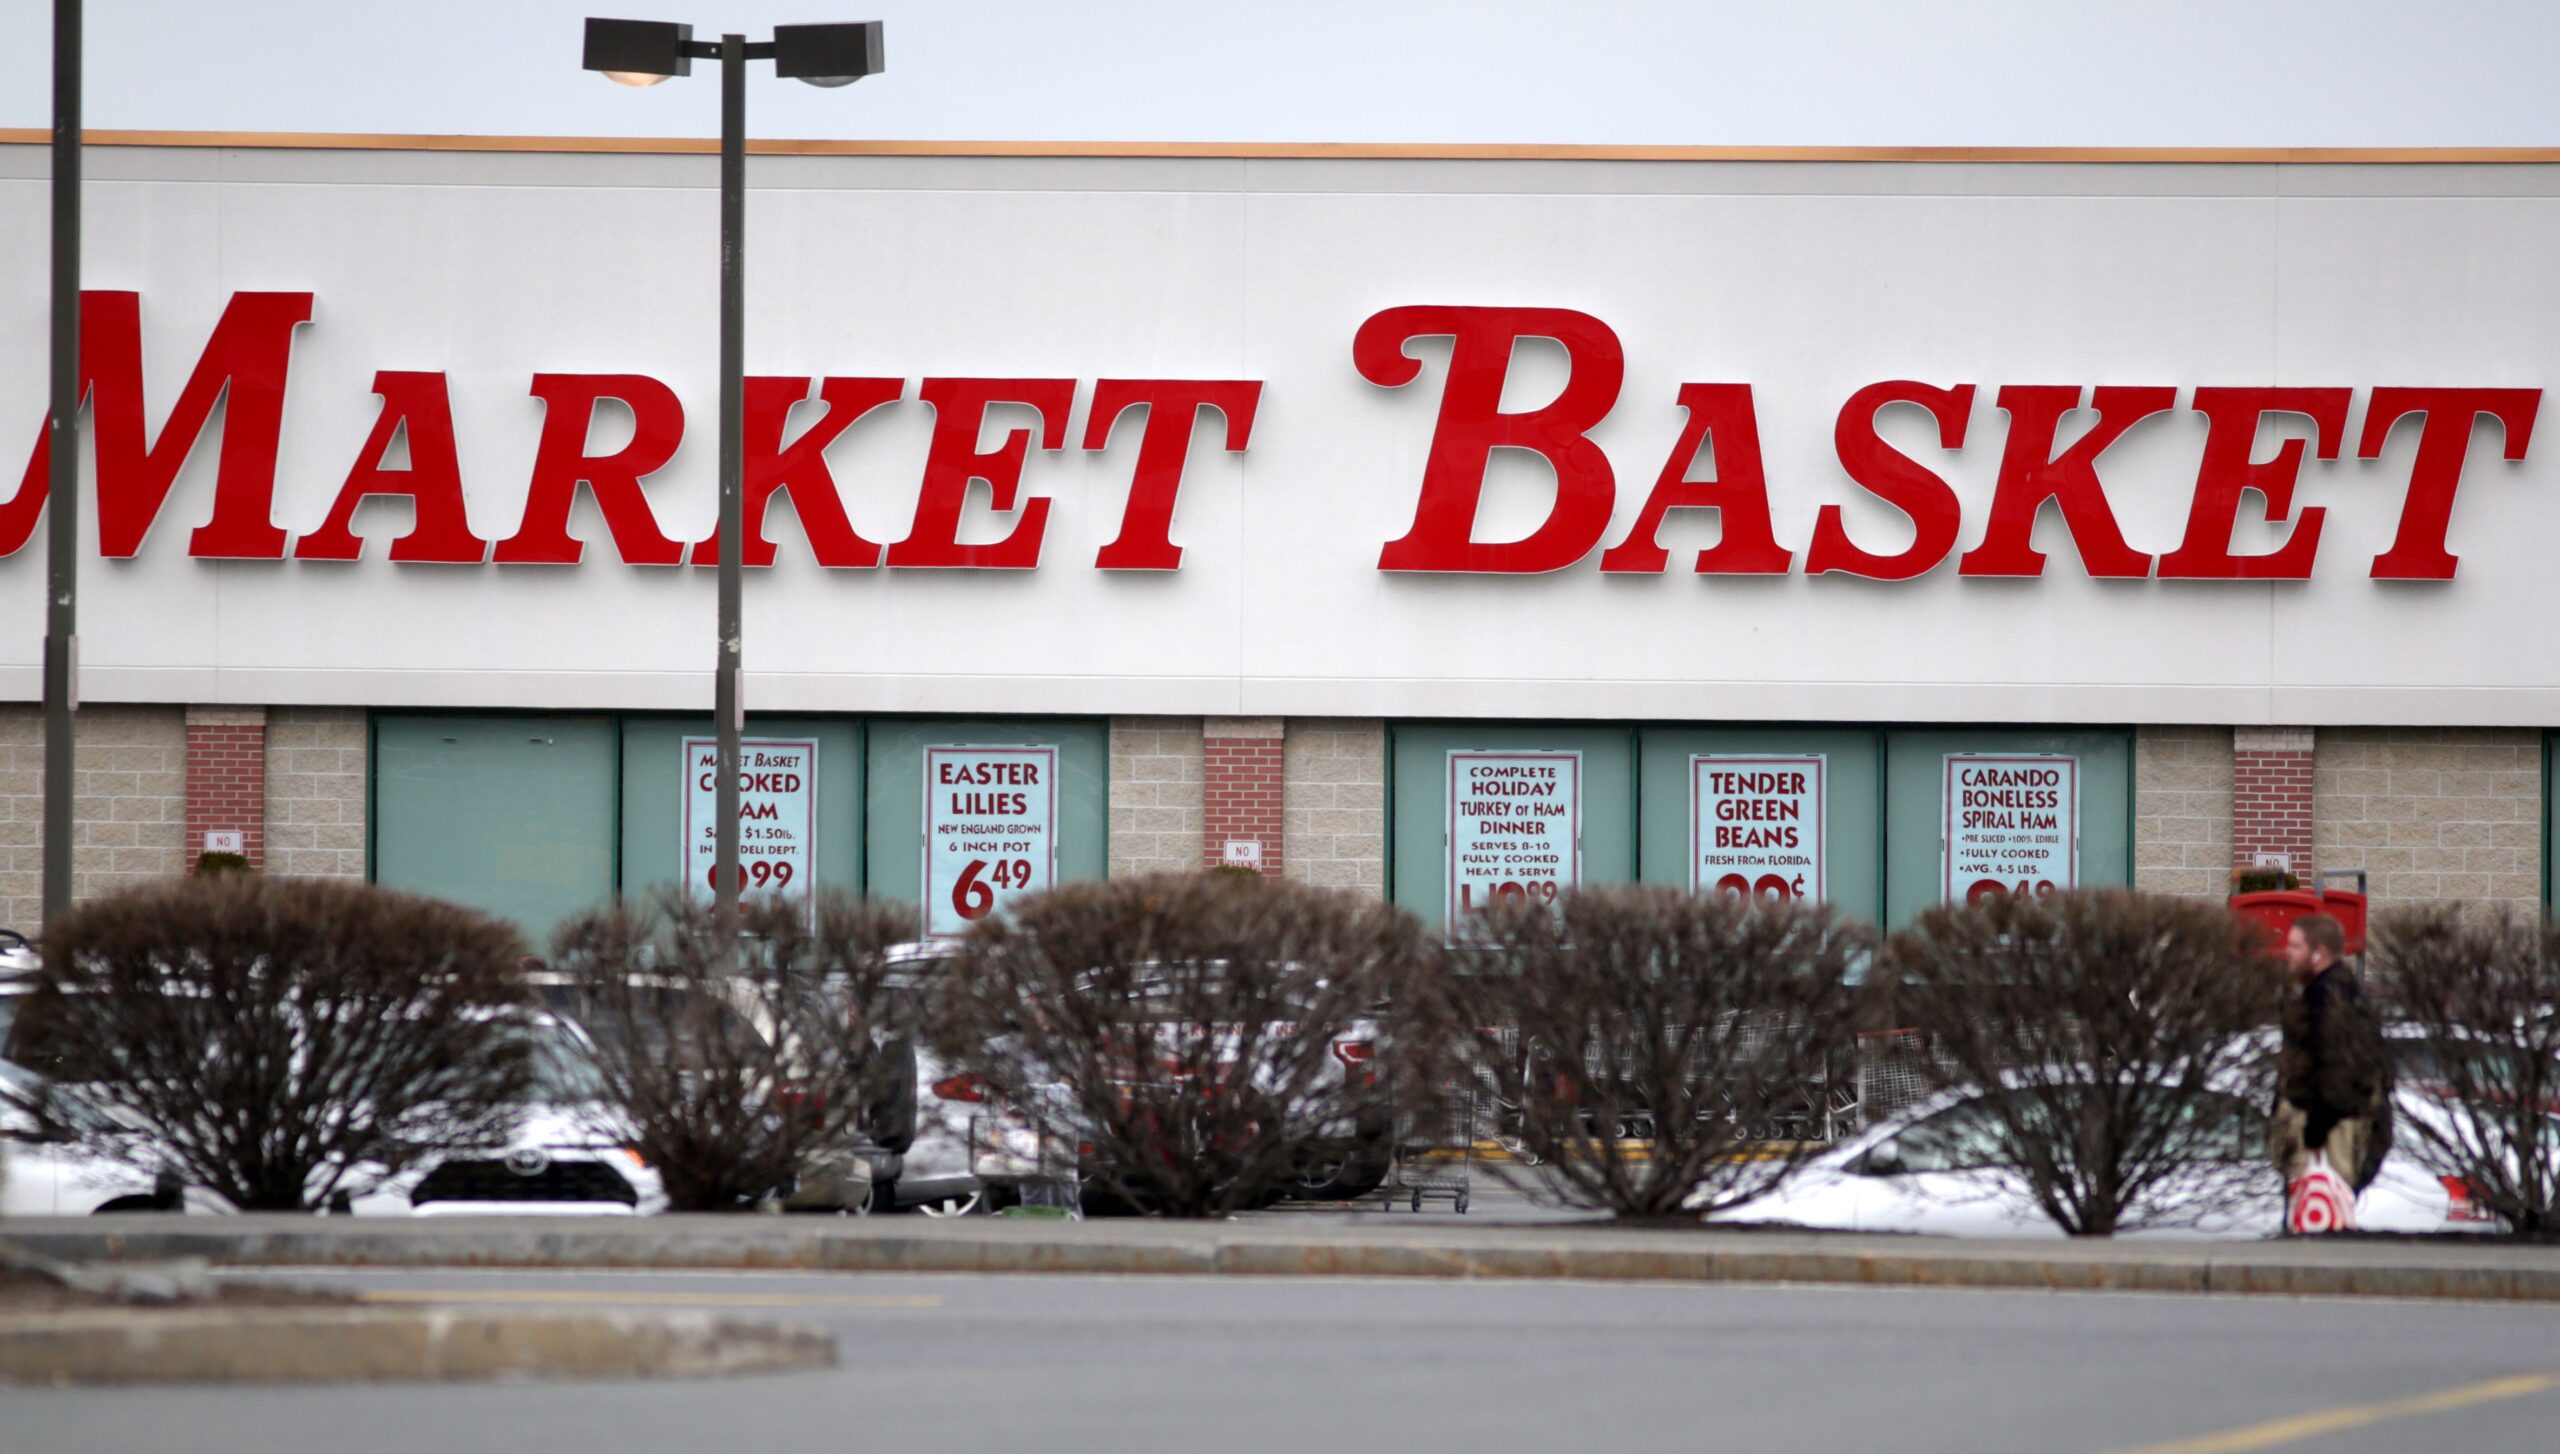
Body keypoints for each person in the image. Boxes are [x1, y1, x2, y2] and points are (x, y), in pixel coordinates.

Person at [2269, 914, 2393, 1208]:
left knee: (2320, 1206)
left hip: (2329, 1129)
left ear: (2319, 953)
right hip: (2332, 1122)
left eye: (2296, 946)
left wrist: (2316, 1126)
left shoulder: (2329, 997)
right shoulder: (2339, 991)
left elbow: (2336, 1064)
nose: (2287, 952)